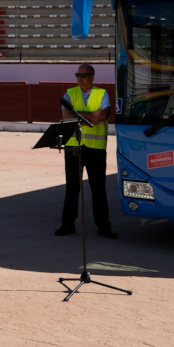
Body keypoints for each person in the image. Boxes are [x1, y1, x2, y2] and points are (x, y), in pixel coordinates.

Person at [56, 64, 116, 240]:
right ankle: (67, 224)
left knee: (98, 188)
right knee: (72, 187)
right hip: (73, 146)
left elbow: (103, 116)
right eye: (78, 74)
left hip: (96, 148)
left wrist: (79, 116)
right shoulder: (70, 93)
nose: (80, 77)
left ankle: (103, 226)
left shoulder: (102, 93)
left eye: (84, 75)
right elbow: (66, 116)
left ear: (92, 77)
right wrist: (91, 116)